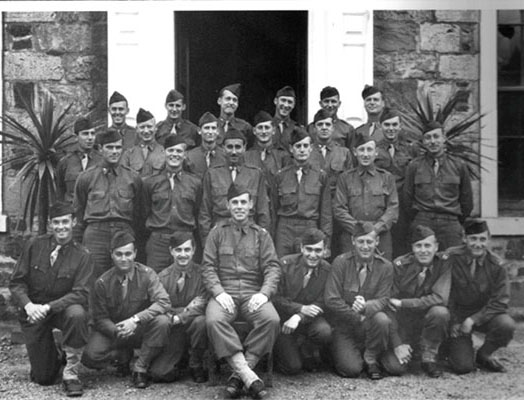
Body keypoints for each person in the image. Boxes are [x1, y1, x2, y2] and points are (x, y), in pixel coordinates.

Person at [202, 184, 281, 399]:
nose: (239, 207)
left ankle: (239, 375)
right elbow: (208, 267)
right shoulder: (217, 233)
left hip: (251, 293)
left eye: (243, 202)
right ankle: (248, 376)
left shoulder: (261, 235)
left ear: (251, 205)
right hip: (224, 292)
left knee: (271, 320)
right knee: (214, 321)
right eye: (234, 202)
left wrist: (264, 293)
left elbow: (273, 267)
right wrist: (218, 292)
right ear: (227, 205)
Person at [9, 201, 95, 396]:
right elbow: (16, 283)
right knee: (44, 378)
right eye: (56, 222)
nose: (61, 227)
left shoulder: (83, 255)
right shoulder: (34, 245)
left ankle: (71, 373)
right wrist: (29, 306)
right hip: (34, 312)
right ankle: (55, 353)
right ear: (50, 224)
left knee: (77, 314)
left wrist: (48, 307)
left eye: (65, 222)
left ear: (73, 222)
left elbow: (81, 293)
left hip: (60, 310)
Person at [82, 231, 171, 389]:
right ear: (111, 255)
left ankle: (140, 367)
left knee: (162, 321)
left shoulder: (147, 275)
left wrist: (135, 320)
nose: (124, 259)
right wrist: (118, 330)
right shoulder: (102, 282)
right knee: (90, 357)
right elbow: (100, 318)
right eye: (119, 254)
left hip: (139, 328)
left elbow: (163, 302)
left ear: (135, 254)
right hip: (115, 331)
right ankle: (121, 356)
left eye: (128, 254)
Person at [324, 221, 394, 380]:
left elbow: (384, 298)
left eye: (369, 241)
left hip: (370, 324)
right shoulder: (341, 262)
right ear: (353, 241)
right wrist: (356, 316)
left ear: (376, 242)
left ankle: (371, 358)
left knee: (382, 320)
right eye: (361, 241)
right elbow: (331, 299)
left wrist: (366, 306)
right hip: (345, 325)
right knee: (351, 370)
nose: (365, 246)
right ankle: (340, 353)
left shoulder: (385, 267)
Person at [445, 219, 516, 374]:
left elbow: (500, 302)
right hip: (457, 315)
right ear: (464, 238)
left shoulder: (497, 265)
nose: (478, 244)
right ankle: (453, 348)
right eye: (473, 239)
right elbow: (445, 293)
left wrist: (473, 320)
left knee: (506, 324)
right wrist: (455, 321)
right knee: (462, 367)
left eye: (482, 239)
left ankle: (484, 354)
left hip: (484, 315)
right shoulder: (451, 257)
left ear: (488, 239)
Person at [382, 225, 451, 378]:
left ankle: (429, 356)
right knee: (395, 369)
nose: (423, 250)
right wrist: (398, 343)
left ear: (436, 247)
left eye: (427, 245)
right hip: (403, 323)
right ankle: (401, 350)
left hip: (428, 322)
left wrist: (404, 303)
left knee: (440, 312)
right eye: (418, 245)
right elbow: (388, 304)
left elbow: (440, 298)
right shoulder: (400, 265)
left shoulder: (443, 263)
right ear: (412, 248)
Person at [73, 129, 143, 277]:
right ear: (100, 149)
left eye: (118, 147)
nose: (114, 151)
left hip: (124, 231)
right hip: (95, 234)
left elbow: (139, 212)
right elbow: (78, 213)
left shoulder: (133, 177)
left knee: (123, 278)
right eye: (110, 147)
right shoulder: (86, 177)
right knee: (94, 278)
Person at [404, 121, 473, 251]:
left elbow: (467, 200)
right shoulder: (414, 166)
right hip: (423, 219)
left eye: (436, 136)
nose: (432, 141)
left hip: (450, 222)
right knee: (420, 263)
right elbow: (407, 198)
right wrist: (419, 218)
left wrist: (455, 220)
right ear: (423, 142)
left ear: (444, 138)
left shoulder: (458, 165)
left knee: (452, 263)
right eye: (428, 138)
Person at [150, 232, 208, 383]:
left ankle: (196, 363)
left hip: (193, 327)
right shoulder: (162, 277)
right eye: (178, 250)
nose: (183, 255)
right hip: (173, 331)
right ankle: (181, 359)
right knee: (159, 374)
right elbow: (161, 306)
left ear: (194, 250)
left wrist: (178, 315)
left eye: (187, 250)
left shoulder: (203, 275)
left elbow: (202, 304)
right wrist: (186, 310)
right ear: (171, 251)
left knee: (202, 321)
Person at [273, 228, 332, 375]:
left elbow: (323, 301)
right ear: (301, 248)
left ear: (325, 250)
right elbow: (275, 297)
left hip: (308, 320)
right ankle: (280, 352)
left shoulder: (327, 270)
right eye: (309, 249)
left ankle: (306, 349)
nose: (313, 255)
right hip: (284, 322)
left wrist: (300, 315)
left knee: (324, 331)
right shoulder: (285, 265)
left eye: (318, 250)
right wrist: (299, 308)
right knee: (292, 368)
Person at [199, 129, 270, 245]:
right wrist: (207, 241)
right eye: (229, 147)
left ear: (244, 148)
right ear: (223, 148)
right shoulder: (212, 174)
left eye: (238, 147)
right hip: (220, 232)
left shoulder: (256, 174)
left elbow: (263, 211)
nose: (233, 152)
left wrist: (262, 240)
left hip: (249, 233)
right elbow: (205, 211)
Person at [334, 133, 398, 260]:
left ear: (376, 153)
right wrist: (359, 231)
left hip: (380, 237)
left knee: (381, 273)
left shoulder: (386, 178)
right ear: (354, 152)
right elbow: (339, 209)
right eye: (361, 149)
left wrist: (375, 230)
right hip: (352, 236)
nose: (365, 154)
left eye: (369, 149)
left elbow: (393, 209)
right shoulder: (345, 178)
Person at [143, 135, 202, 272]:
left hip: (185, 240)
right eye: (170, 150)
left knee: (185, 281)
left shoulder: (195, 183)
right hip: (158, 242)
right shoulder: (150, 182)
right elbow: (143, 213)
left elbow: (199, 213)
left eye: (179, 151)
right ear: (164, 152)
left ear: (185, 154)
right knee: (155, 282)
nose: (174, 154)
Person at [274, 127, 332, 257]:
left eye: (305, 146)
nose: (302, 150)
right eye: (298, 146)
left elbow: (326, 212)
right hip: (285, 228)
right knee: (282, 267)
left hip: (310, 226)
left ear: (311, 148)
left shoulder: (320, 176)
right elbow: (273, 208)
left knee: (307, 266)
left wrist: (326, 240)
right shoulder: (280, 176)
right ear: (291, 149)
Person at [375, 108, 419, 257]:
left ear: (400, 126)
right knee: (382, 249)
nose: (391, 129)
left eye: (394, 125)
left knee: (402, 248)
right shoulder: (374, 149)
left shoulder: (411, 149)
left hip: (403, 207)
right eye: (387, 125)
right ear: (380, 126)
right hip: (381, 206)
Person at [56, 116, 102, 242]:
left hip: (94, 220)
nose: (90, 137)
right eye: (85, 134)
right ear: (77, 136)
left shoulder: (102, 161)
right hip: (73, 220)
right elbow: (60, 192)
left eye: (92, 133)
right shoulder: (65, 162)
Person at [120, 108, 165, 179]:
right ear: (137, 129)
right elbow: (124, 178)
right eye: (142, 127)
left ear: (155, 128)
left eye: (149, 127)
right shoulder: (128, 154)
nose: (146, 131)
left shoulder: (164, 152)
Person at [186, 111, 226, 179]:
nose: (210, 132)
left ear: (218, 131)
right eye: (207, 128)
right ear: (199, 130)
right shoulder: (190, 157)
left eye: (213, 128)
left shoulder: (225, 156)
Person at [272, 85, 300, 150]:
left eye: (289, 102)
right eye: (283, 100)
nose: (286, 105)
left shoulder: (298, 129)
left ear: (293, 105)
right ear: (275, 101)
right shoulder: (265, 127)